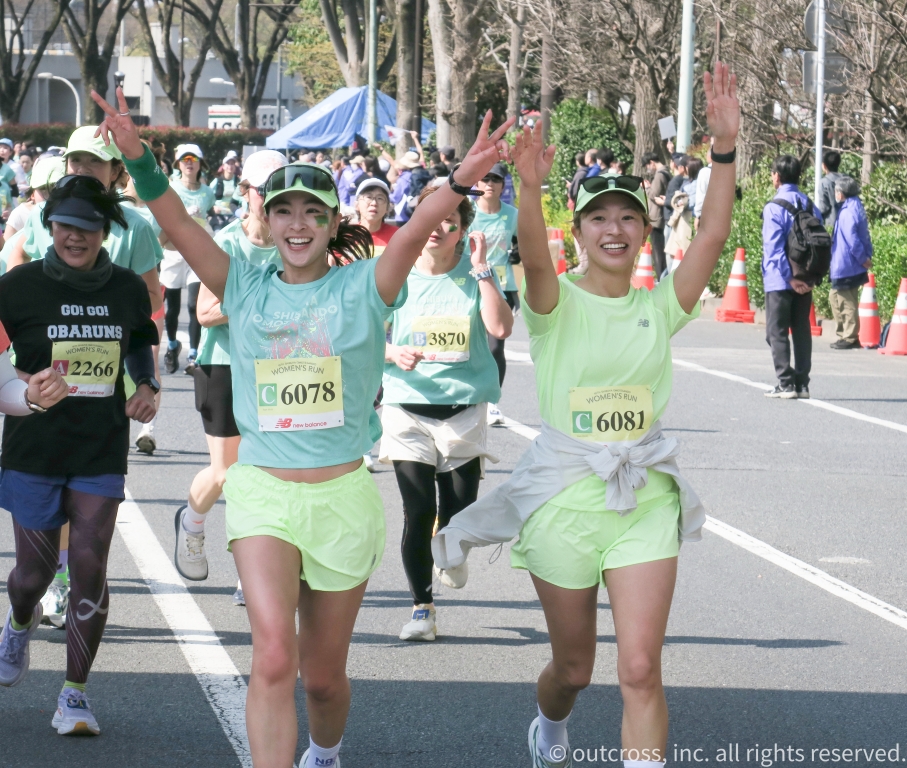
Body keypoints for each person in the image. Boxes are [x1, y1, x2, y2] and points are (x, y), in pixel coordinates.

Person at [92, 85, 513, 768]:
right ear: (264, 213)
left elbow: (412, 229)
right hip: (263, 494)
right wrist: (138, 158)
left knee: (321, 679)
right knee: (272, 658)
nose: (295, 222)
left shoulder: (367, 286)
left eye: (310, 211)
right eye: (282, 208)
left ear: (329, 221)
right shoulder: (242, 283)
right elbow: (177, 222)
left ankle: (326, 749)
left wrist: (462, 177)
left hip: (342, 499)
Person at [432, 62, 739, 768]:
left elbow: (713, 240)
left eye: (627, 215)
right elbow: (533, 259)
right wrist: (531, 190)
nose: (614, 227)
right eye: (598, 215)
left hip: (641, 499)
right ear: (580, 231)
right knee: (574, 671)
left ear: (642, 230)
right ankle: (550, 721)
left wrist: (722, 153)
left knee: (639, 670)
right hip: (564, 498)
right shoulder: (555, 303)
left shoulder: (657, 307)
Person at [0, 175, 159, 736]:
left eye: (89, 228)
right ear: (49, 227)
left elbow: (141, 339)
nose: (76, 237)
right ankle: (18, 623)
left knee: (90, 563)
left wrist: (146, 384)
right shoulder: (16, 286)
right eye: (67, 226)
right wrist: (21, 392)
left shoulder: (125, 287)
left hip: (99, 445)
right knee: (32, 575)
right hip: (33, 449)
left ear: (104, 233)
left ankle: (74, 694)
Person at [381, 187, 512, 641]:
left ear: (463, 226)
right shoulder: (395, 275)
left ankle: (450, 537)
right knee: (415, 511)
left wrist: (481, 270)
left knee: (458, 511)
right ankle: (422, 607)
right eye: (428, 217)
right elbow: (361, 333)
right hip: (406, 410)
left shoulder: (474, 274)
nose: (437, 227)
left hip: (463, 409)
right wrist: (392, 352)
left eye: (449, 219)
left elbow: (500, 327)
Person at [174, 150, 288, 605]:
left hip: (277, 367)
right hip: (223, 364)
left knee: (267, 473)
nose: (273, 198)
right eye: (265, 189)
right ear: (247, 192)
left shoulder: (295, 241)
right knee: (227, 473)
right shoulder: (227, 242)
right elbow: (204, 312)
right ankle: (192, 521)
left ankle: (253, 570)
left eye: (281, 188)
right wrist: (260, 304)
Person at [762, 155, 823, 399]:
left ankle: (785, 383)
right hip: (806, 278)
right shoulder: (809, 205)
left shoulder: (774, 207)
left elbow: (774, 249)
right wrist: (807, 277)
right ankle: (802, 384)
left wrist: (789, 278)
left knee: (775, 331)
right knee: (801, 329)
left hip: (780, 280)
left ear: (777, 176)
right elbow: (820, 242)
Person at [468, 161, 519, 425]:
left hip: (501, 287)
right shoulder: (468, 214)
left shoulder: (512, 215)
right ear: (476, 184)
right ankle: (469, 395)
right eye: (485, 179)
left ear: (502, 186)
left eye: (495, 180)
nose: (489, 184)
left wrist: (519, 250)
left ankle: (493, 403)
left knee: (496, 346)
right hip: (468, 284)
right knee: (468, 343)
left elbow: (524, 245)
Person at [162, 143, 217, 375]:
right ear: (178, 164)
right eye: (184, 159)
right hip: (173, 252)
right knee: (171, 309)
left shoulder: (208, 193)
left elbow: (209, 215)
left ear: (200, 164)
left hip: (197, 251)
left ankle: (194, 353)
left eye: (193, 158)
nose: (188, 162)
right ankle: (173, 345)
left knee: (195, 304)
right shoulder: (171, 188)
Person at [829, 176, 872, 350]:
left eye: (836, 191)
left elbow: (852, 240)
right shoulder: (853, 206)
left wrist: (863, 259)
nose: (835, 194)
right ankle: (845, 334)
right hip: (847, 264)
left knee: (846, 301)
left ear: (842, 193)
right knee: (836, 297)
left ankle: (849, 336)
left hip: (847, 264)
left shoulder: (848, 211)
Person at [643, 151, 671, 278]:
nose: (648, 169)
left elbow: (653, 194)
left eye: (647, 166)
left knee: (658, 251)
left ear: (652, 163)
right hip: (662, 216)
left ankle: (661, 277)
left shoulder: (659, 175)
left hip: (657, 218)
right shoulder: (667, 172)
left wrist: (647, 188)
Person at [354, 178, 398, 256]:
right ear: (357, 205)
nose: (374, 203)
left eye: (380, 198)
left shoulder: (397, 236)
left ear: (387, 208)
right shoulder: (346, 235)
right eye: (368, 197)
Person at [817, 149, 845, 232]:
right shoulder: (847, 179)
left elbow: (823, 208)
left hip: (832, 226)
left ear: (824, 166)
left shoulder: (824, 183)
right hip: (848, 224)